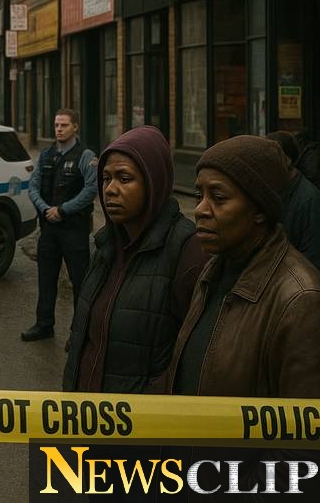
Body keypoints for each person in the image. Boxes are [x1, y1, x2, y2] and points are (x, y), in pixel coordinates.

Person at [165, 136, 320, 494]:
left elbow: (302, 458)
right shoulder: (212, 273)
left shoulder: (300, 300)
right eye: (199, 196)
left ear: (259, 209)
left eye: (219, 198)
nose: (201, 209)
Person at [63, 126, 208, 393]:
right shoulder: (104, 245)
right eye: (106, 179)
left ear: (153, 182)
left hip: (141, 426)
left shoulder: (187, 252)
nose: (110, 190)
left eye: (124, 178)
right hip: (84, 420)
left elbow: (193, 361)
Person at [23, 108, 97, 342]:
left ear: (75, 127)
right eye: (56, 125)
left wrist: (63, 210)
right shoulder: (46, 156)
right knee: (46, 279)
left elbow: (91, 189)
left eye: (64, 125)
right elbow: (32, 186)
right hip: (49, 229)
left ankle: (79, 333)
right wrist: (46, 209)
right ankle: (44, 324)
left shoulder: (85, 156)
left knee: (79, 283)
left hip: (74, 229)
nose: (59, 129)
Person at [267, 130, 320, 279]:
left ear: (286, 161)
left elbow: (317, 265)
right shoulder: (279, 192)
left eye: (269, 160)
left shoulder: (311, 202)